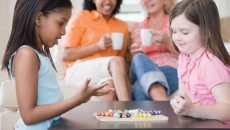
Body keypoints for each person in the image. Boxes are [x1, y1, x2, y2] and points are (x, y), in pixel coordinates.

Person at [1, 0, 114, 129]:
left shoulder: (37, 55)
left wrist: (82, 97)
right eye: (61, 23)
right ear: (38, 19)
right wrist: (78, 99)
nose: (64, 31)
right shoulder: (27, 55)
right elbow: (29, 116)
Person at [169, 0, 230, 126]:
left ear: (206, 32)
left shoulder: (210, 63)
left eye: (185, 32)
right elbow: (184, 96)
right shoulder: (184, 58)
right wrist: (181, 105)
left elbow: (228, 109)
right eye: (174, 31)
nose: (177, 38)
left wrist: (193, 110)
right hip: (197, 123)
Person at [61, 0, 131, 101]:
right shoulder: (82, 17)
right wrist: (97, 46)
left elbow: (121, 63)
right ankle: (129, 110)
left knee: (109, 89)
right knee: (117, 60)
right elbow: (65, 55)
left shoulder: (122, 26)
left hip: (105, 74)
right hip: (78, 70)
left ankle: (103, 116)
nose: (108, 1)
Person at [130, 0, 178, 101]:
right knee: (139, 57)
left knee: (139, 87)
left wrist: (167, 41)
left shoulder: (175, 23)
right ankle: (164, 104)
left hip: (170, 69)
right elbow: (134, 62)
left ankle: (154, 113)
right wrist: (135, 52)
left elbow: (187, 56)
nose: (147, 1)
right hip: (142, 67)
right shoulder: (137, 27)